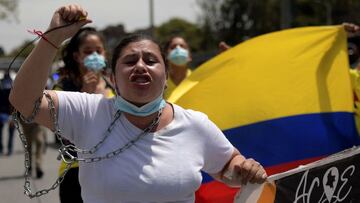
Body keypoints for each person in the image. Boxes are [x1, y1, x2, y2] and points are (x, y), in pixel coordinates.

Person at [9, 4, 267, 203]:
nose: (141, 66)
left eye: (151, 60)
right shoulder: (88, 112)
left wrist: (243, 169)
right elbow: (23, 100)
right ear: (113, 78)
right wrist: (52, 38)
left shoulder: (195, 124)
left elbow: (228, 166)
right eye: (130, 61)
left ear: (165, 76)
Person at [53, 26, 114, 203]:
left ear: (105, 54)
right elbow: (61, 134)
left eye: (98, 50)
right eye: (88, 51)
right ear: (77, 56)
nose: (94, 55)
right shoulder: (63, 87)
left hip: (111, 168)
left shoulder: (114, 85)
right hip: (75, 169)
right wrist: (85, 95)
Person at [0, 72, 15, 156]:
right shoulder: (5, 90)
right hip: (3, 113)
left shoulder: (12, 90)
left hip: (9, 113)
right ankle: (3, 149)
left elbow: (14, 104)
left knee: (11, 133)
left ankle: (8, 149)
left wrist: (12, 116)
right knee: (4, 134)